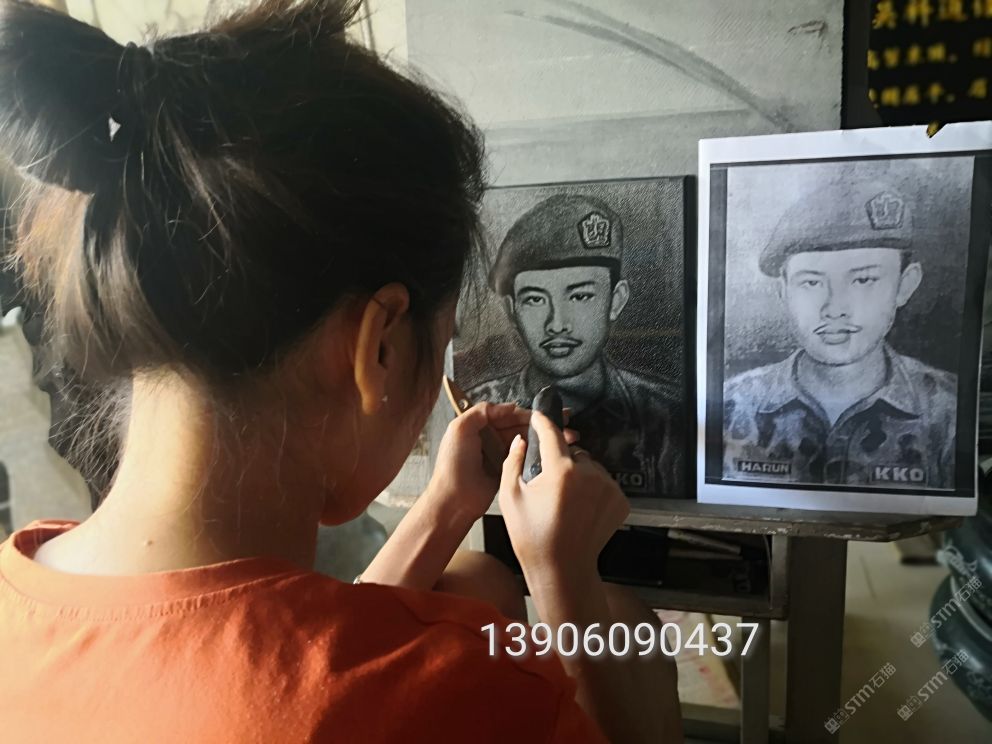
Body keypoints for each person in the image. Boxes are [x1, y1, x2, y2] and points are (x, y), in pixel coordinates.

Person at [0, 1, 682, 743]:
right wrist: (564, 577)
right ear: (379, 346)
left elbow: (286, 647)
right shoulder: (456, 697)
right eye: (442, 341)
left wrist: (444, 506)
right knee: (632, 631)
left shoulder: (22, 579)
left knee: (477, 582)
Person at [723, 180, 957, 488]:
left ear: (905, 285)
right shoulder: (731, 405)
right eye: (811, 282)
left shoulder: (950, 410)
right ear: (783, 291)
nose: (834, 309)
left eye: (863, 280)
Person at [468, 194, 684, 497]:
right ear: (512, 310)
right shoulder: (476, 415)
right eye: (535, 299)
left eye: (580, 296)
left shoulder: (670, 416)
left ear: (616, 300)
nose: (557, 324)